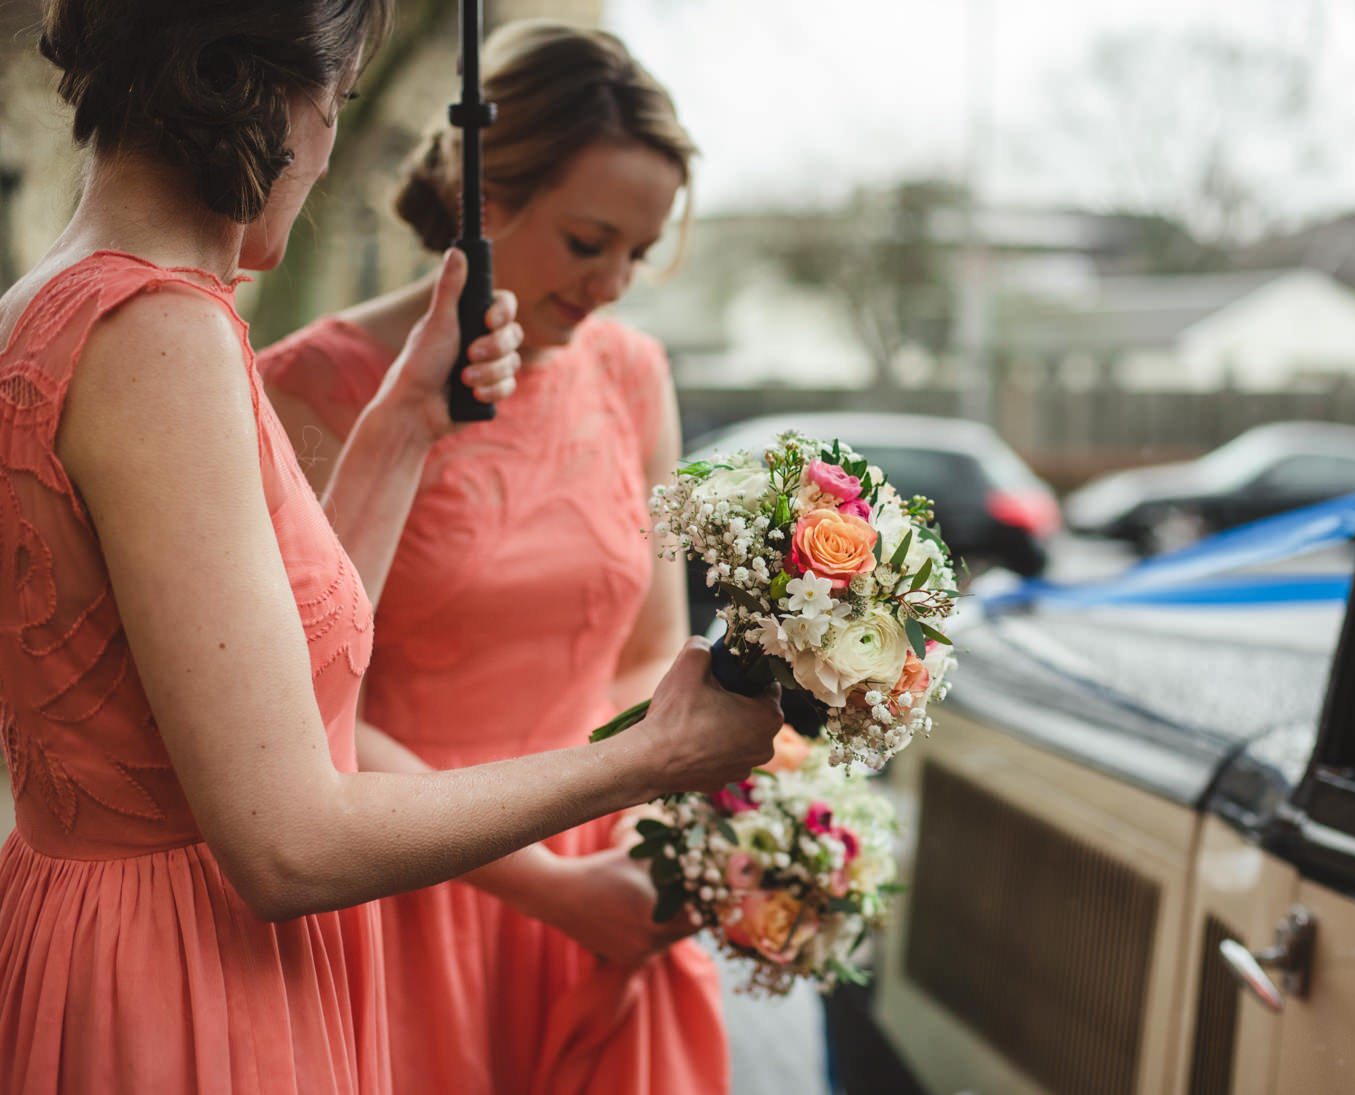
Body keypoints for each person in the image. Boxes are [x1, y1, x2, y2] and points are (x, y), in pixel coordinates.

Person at [0, 5, 782, 1094]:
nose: (324, 150)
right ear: (282, 97)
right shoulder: (159, 335)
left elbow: (293, 676)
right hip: (183, 970)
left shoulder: (58, 301)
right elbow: (289, 844)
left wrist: (407, 416)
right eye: (340, 105)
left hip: (97, 927)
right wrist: (648, 757)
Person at [258, 22, 739, 1095]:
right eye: (586, 241)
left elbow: (650, 649)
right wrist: (546, 885)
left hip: (602, 873)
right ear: (486, 199)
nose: (614, 283)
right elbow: (307, 704)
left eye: (638, 252)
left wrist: (642, 846)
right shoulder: (307, 388)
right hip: (412, 890)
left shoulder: (630, 373)